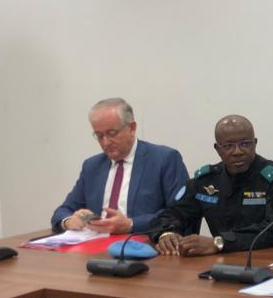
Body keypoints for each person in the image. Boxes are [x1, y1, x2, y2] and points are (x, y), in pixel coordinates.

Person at [152, 115, 273, 256]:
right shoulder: (206, 181)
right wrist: (166, 233)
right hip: (218, 260)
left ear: (255, 143)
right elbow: (174, 213)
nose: (237, 152)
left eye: (245, 144)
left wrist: (220, 243)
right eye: (228, 146)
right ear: (217, 149)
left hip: (263, 259)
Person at [50, 98, 188, 234]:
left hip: (141, 242)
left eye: (112, 133)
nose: (105, 142)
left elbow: (181, 213)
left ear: (132, 128)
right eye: (99, 136)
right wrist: (68, 221)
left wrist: (131, 224)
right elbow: (63, 211)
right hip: (94, 242)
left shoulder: (164, 159)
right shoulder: (92, 166)